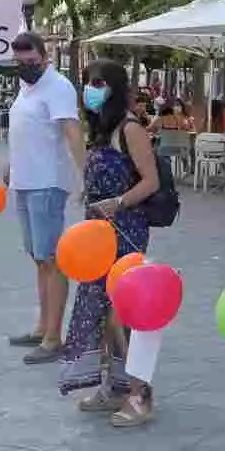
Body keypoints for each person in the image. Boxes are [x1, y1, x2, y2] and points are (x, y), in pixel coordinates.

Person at [58, 59, 160, 424]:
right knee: (102, 314)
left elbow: (150, 181)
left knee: (123, 313)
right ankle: (114, 386)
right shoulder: (102, 128)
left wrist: (116, 203)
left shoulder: (131, 128)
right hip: (97, 234)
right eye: (87, 82)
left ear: (115, 87)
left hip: (126, 229)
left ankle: (141, 394)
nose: (91, 88)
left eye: (98, 82)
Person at [5, 32, 84, 365]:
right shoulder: (27, 88)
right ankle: (42, 326)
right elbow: (26, 130)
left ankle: (54, 336)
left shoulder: (59, 87)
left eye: (32, 62)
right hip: (25, 182)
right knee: (39, 258)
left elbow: (71, 131)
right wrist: (12, 164)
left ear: (45, 56)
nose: (26, 68)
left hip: (47, 183)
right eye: (20, 63)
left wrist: (85, 176)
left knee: (53, 259)